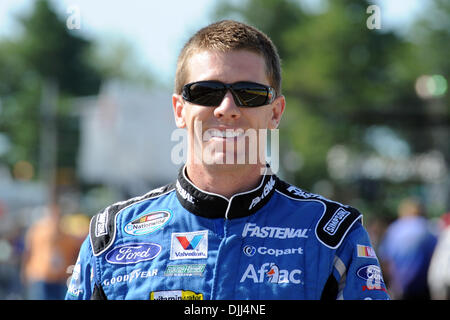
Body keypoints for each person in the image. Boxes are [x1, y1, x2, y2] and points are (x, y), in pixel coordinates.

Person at [66, 20, 389, 300]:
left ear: (275, 112)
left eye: (249, 93)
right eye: (206, 92)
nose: (226, 108)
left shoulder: (333, 235)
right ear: (180, 110)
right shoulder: (111, 236)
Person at [378, 198, 437, 300]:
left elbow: (385, 259)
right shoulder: (428, 228)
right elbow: (435, 255)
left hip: (399, 284)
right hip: (422, 285)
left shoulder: (394, 229)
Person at [22, 200, 83, 299]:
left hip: (60, 279)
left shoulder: (67, 236)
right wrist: (25, 272)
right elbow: (28, 252)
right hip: (40, 276)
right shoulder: (38, 232)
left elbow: (75, 255)